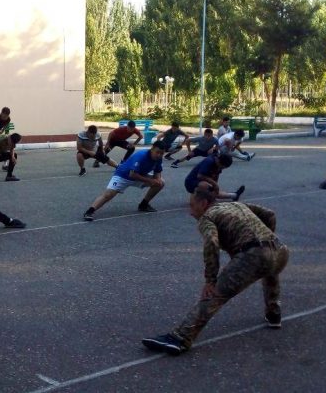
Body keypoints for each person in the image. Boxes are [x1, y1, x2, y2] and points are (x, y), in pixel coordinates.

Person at [141, 181, 290, 355]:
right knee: (270, 272)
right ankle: (274, 314)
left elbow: (212, 243)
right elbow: (270, 214)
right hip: (280, 250)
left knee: (214, 295)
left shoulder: (207, 217)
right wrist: (268, 237)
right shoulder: (236, 204)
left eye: (192, 206)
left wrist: (210, 280)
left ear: (203, 204)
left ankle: (180, 338)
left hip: (253, 255)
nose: (190, 212)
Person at [83, 140, 166, 221]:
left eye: (162, 153)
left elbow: (157, 172)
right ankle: (89, 211)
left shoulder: (159, 158)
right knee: (108, 194)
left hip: (140, 175)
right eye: (157, 152)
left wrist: (157, 179)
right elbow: (132, 174)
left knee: (161, 183)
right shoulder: (141, 155)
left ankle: (143, 205)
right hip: (123, 175)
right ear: (152, 149)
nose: (159, 155)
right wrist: (150, 181)